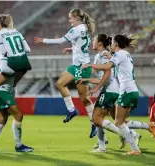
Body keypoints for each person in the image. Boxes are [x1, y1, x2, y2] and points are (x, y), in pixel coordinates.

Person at [82, 34, 155, 155]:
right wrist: (111, 56)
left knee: (117, 122)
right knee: (122, 121)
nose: (110, 44)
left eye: (112, 42)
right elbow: (117, 63)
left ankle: (134, 147)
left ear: (116, 44)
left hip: (126, 90)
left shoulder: (119, 54)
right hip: (131, 90)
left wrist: (90, 65)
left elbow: (107, 67)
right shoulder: (125, 54)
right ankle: (147, 127)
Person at [34, 8, 97, 138]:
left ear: (77, 18)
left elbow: (60, 40)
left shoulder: (76, 29)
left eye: (71, 18)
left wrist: (43, 40)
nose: (69, 20)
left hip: (82, 67)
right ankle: (72, 110)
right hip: (76, 65)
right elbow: (83, 44)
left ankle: (94, 123)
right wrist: (72, 48)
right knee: (60, 84)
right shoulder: (85, 27)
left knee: (84, 98)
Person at [0, 75, 34, 152]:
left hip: (3, 92)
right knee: (18, 115)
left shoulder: (9, 69)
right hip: (3, 92)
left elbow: (13, 83)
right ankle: (19, 145)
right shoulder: (6, 66)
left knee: (2, 120)